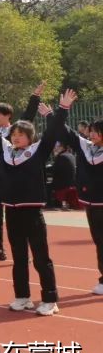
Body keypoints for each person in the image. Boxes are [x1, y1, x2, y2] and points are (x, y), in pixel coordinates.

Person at [0, 83, 66, 316]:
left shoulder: (37, 150)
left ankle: (50, 299)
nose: (15, 138)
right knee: (19, 258)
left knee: (41, 258)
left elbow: (53, 131)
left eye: (20, 135)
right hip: (12, 211)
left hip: (32, 212)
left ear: (29, 137)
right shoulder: (6, 150)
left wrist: (62, 109)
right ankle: (22, 296)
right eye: (14, 134)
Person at [0, 84, 42, 262]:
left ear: (8, 115)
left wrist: (35, 97)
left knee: (15, 214)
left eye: (0, 113)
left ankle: (25, 248)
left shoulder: (13, 131)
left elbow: (28, 116)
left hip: (7, 177)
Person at [65, 116, 103, 294]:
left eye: (96, 130)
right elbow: (70, 135)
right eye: (91, 130)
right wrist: (55, 114)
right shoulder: (89, 148)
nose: (92, 133)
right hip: (91, 203)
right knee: (99, 241)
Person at [51, 142, 79, 210]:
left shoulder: (61, 157)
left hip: (63, 188)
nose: (55, 149)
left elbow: (54, 173)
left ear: (62, 147)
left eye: (57, 147)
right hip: (73, 185)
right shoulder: (71, 155)